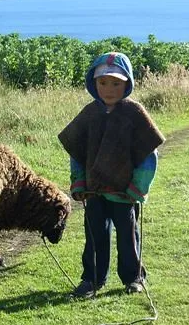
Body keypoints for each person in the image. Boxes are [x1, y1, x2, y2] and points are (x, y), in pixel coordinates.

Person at [58, 52, 165, 298]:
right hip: (94, 190)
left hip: (124, 193)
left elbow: (149, 155)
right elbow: (76, 151)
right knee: (95, 236)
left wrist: (138, 189)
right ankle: (92, 280)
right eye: (103, 82)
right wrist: (79, 183)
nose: (109, 89)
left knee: (128, 236)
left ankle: (134, 277)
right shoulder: (89, 114)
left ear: (127, 83)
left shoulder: (134, 114)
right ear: (93, 84)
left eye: (116, 83)